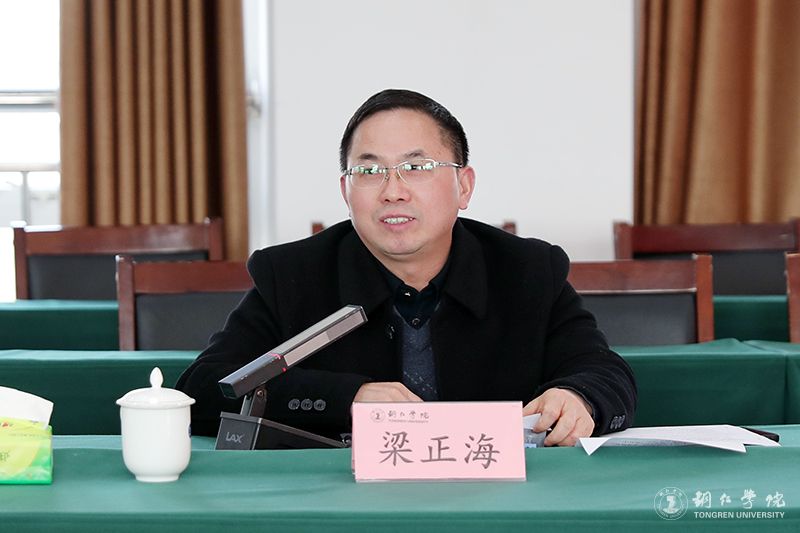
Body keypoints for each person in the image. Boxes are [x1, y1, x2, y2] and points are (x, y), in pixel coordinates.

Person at [176, 88, 636, 446]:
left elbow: (605, 373)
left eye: (416, 168)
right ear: (345, 190)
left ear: (464, 186)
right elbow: (204, 390)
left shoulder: (528, 270)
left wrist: (579, 398)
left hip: (496, 502)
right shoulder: (293, 274)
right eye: (369, 171)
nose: (393, 191)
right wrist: (346, 398)